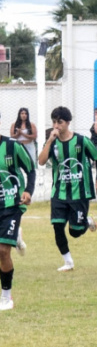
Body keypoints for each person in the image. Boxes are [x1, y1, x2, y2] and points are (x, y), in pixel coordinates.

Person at [37, 107, 97, 272]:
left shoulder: (81, 141)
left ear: (67, 123)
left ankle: (86, 221)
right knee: (57, 227)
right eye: (54, 122)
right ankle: (68, 262)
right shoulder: (52, 143)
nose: (56, 125)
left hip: (79, 193)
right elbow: (41, 161)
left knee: (75, 232)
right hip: (59, 193)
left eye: (59, 122)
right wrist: (49, 141)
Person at [0, 111, 37, 311]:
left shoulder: (12, 146)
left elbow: (30, 169)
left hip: (12, 204)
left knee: (2, 251)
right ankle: (16, 236)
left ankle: (6, 297)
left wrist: (28, 191)